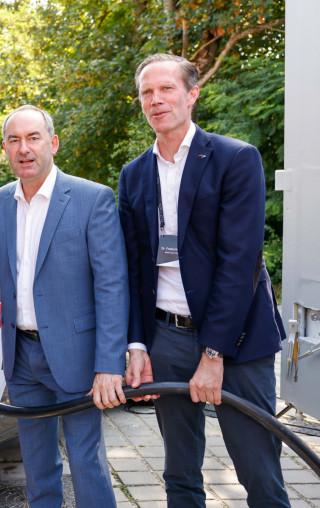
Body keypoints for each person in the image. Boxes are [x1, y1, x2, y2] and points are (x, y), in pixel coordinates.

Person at [0, 105, 129, 507]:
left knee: (87, 461)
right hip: (22, 357)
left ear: (52, 143)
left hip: (78, 357)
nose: (24, 148)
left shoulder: (92, 199)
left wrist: (110, 364)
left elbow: (112, 286)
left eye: (33, 138)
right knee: (36, 463)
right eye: (14, 140)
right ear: (4, 149)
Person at [119, 53, 289, 507]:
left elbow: (241, 262)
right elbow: (135, 270)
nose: (155, 100)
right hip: (166, 338)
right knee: (179, 471)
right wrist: (138, 344)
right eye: (146, 93)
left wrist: (214, 352)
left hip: (237, 341)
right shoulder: (134, 175)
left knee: (259, 471)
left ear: (192, 94)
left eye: (166, 89)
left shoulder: (235, 159)